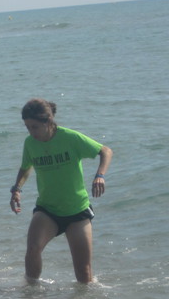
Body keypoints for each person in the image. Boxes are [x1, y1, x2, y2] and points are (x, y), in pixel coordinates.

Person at [9, 98, 113, 284]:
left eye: (35, 127)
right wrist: (17, 189)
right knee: (33, 250)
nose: (31, 132)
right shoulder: (30, 143)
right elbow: (25, 167)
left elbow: (105, 151)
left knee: (83, 273)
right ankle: (31, 294)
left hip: (77, 211)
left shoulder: (70, 138)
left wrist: (100, 175)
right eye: (27, 127)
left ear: (48, 121)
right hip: (47, 210)